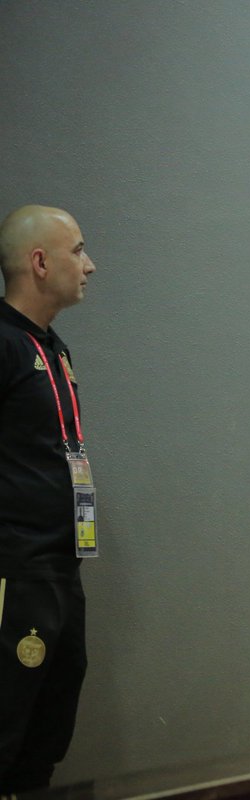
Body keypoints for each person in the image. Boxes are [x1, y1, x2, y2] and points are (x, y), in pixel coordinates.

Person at [0, 205, 97, 792]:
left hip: (62, 566)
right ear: (39, 262)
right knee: (5, 723)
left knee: (49, 721)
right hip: (15, 573)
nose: (90, 264)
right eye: (78, 250)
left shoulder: (53, 347)